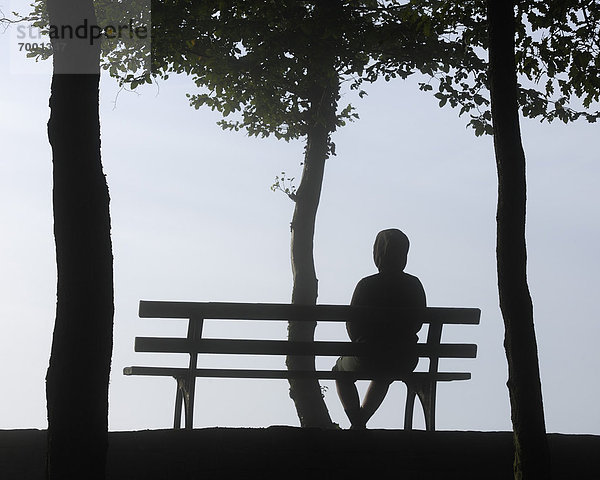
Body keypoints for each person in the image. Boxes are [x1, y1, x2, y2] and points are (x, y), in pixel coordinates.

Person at [333, 228, 426, 429]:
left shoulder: (366, 285)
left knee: (339, 371)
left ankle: (357, 422)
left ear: (378, 254)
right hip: (404, 358)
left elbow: (353, 329)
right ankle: (361, 421)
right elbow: (418, 323)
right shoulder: (414, 285)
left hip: (368, 355)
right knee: (384, 374)